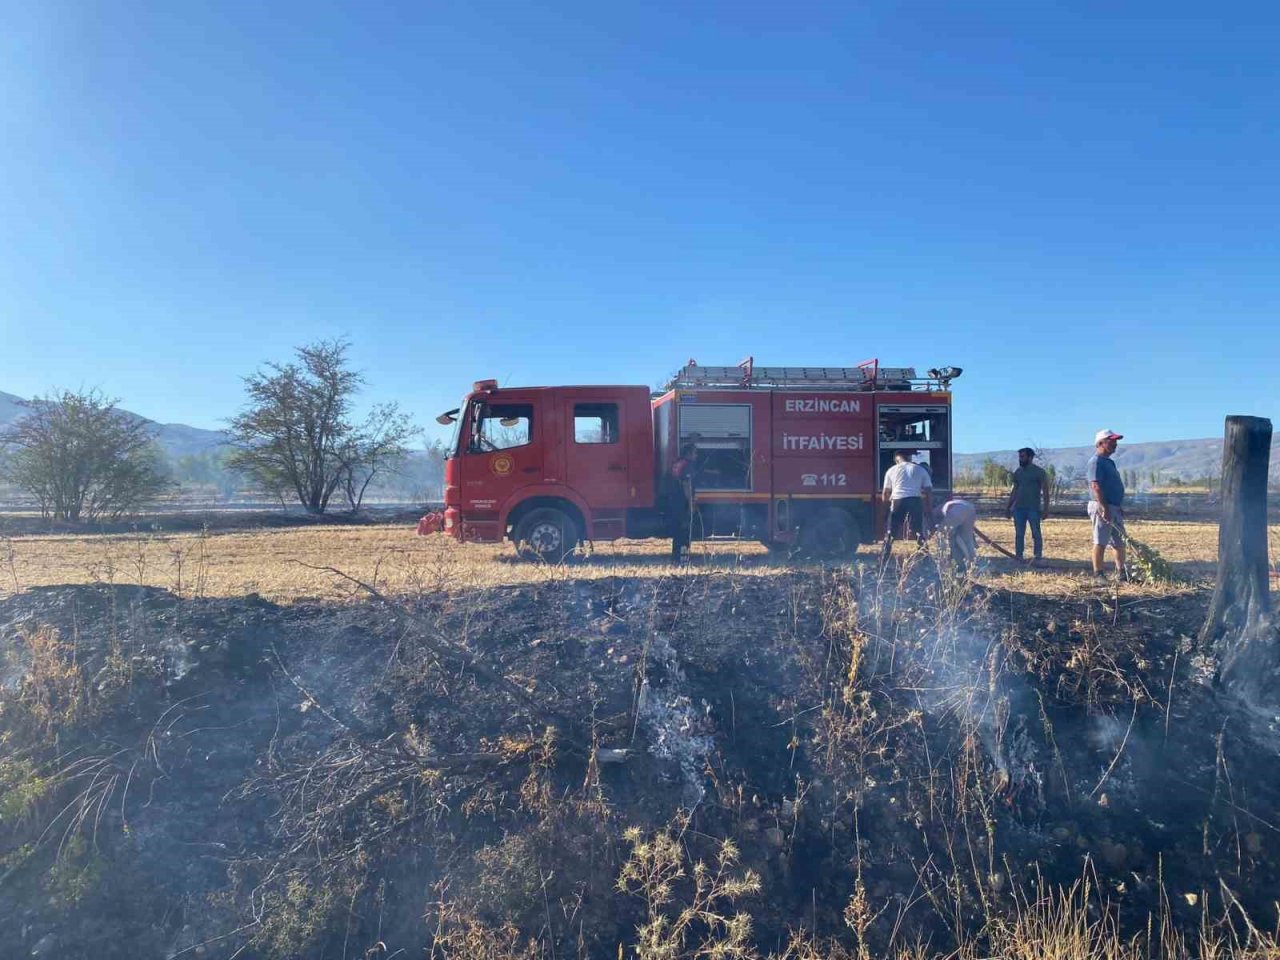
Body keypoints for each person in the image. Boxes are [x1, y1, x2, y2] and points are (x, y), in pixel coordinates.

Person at [1086, 429, 1127, 580]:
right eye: (1112, 441)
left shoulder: (1109, 462)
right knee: (1100, 540)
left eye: (1115, 441)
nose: (1115, 444)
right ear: (1100, 443)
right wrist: (1104, 507)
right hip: (1102, 506)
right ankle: (1098, 574)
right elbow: (1095, 485)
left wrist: (1117, 505)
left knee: (1119, 541)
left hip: (1113, 506)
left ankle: (1122, 573)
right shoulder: (1095, 462)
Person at [1005, 447, 1050, 564]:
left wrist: (1046, 509)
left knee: (1036, 532)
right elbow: (1014, 490)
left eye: (1023, 456)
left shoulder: (1039, 472)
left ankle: (1038, 556)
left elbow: (1045, 491)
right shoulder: (1018, 472)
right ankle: (1019, 556)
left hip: (1033, 508)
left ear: (1030, 457)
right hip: (1018, 509)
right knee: (1019, 534)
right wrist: (1008, 507)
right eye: (1020, 457)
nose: (1020, 459)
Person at [882, 450, 932, 546]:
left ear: (896, 460)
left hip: (898, 501)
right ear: (909, 458)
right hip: (915, 501)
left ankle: (884, 559)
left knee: (891, 533)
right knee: (919, 532)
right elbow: (928, 490)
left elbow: (886, 493)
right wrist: (929, 509)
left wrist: (886, 511)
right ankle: (924, 558)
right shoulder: (920, 470)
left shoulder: (891, 470)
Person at [667, 442, 699, 561]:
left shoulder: (677, 463)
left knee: (678, 532)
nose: (696, 456)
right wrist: (691, 504)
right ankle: (683, 559)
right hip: (683, 503)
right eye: (695, 453)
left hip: (675, 501)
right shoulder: (688, 465)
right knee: (685, 531)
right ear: (689, 453)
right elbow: (687, 485)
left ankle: (676, 557)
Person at [936, 497, 978, 569]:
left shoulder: (935, 512)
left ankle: (944, 563)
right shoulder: (947, 504)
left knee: (943, 536)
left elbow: (931, 530)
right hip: (970, 508)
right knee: (967, 538)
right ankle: (972, 564)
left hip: (956, 510)